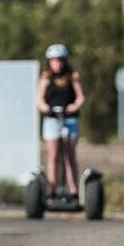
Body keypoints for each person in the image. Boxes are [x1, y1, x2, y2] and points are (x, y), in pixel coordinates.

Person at [35, 44, 84, 197]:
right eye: (55, 61)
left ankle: (73, 189)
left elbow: (80, 97)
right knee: (53, 155)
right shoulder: (45, 78)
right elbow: (39, 99)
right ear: (49, 61)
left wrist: (73, 106)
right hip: (52, 120)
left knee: (69, 156)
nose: (58, 64)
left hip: (69, 120)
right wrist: (45, 108)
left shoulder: (72, 76)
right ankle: (52, 189)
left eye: (61, 60)